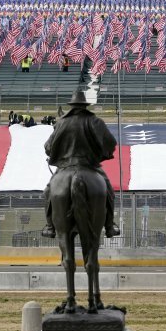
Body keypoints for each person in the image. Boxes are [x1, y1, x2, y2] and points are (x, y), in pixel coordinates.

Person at [41, 91, 120, 239]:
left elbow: (48, 147)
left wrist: (56, 154)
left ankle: (50, 226)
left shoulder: (62, 122)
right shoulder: (96, 121)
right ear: (85, 107)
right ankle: (110, 225)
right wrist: (102, 155)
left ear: (71, 106)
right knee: (108, 190)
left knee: (48, 192)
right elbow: (111, 144)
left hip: (66, 166)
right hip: (90, 166)